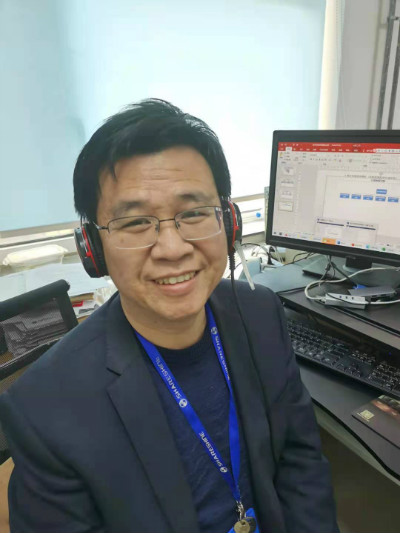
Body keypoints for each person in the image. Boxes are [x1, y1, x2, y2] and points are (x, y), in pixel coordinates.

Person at [0, 99, 339, 533]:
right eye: (135, 223)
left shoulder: (260, 314)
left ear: (229, 222)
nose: (173, 248)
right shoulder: (43, 407)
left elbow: (300, 460)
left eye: (194, 213)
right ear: (93, 248)